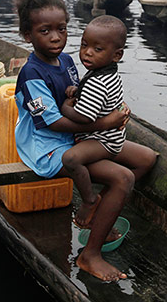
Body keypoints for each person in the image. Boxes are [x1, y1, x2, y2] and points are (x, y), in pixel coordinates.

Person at [13, 0, 157, 281]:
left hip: (78, 137)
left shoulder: (66, 61)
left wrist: (114, 108)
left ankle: (98, 211)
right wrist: (105, 124)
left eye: (62, 29)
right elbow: (53, 123)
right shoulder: (31, 74)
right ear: (28, 36)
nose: (56, 37)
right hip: (48, 145)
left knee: (147, 157)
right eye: (45, 31)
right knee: (123, 178)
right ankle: (90, 255)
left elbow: (84, 97)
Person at [59, 15, 130, 231]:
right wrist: (77, 90)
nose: (87, 52)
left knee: (70, 159)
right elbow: (92, 96)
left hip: (104, 141)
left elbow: (84, 117)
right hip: (113, 137)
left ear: (117, 55)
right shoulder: (104, 72)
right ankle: (107, 196)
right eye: (84, 45)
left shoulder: (97, 82)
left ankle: (90, 200)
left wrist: (65, 107)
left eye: (97, 49)